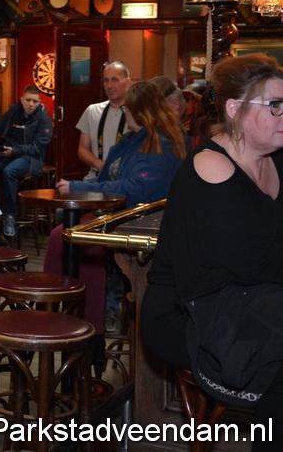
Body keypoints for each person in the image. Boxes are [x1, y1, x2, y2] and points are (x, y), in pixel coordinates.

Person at [141, 55, 283, 451]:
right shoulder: (211, 167)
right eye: (275, 105)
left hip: (254, 296)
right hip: (191, 311)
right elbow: (263, 262)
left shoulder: (275, 159)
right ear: (235, 109)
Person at [45, 81, 185, 337]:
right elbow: (113, 180)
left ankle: (81, 323)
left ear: (139, 111)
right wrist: (82, 188)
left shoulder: (160, 144)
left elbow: (135, 189)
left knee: (68, 239)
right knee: (64, 233)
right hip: (122, 215)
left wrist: (78, 187)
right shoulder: (137, 139)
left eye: (127, 108)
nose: (123, 112)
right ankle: (70, 316)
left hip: (141, 223)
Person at [0, 85, 53, 237]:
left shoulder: (44, 119)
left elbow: (37, 148)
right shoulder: (13, 112)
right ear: (22, 100)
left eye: (35, 101)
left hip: (32, 158)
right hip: (10, 154)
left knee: (9, 171)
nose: (31, 104)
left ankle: (10, 215)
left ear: (39, 102)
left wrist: (15, 150)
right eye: (28, 100)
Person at [76, 60, 132, 179]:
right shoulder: (92, 111)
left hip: (124, 180)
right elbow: (82, 149)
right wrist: (99, 164)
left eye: (115, 80)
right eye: (106, 80)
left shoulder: (137, 114)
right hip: (95, 178)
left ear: (128, 82)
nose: (109, 86)